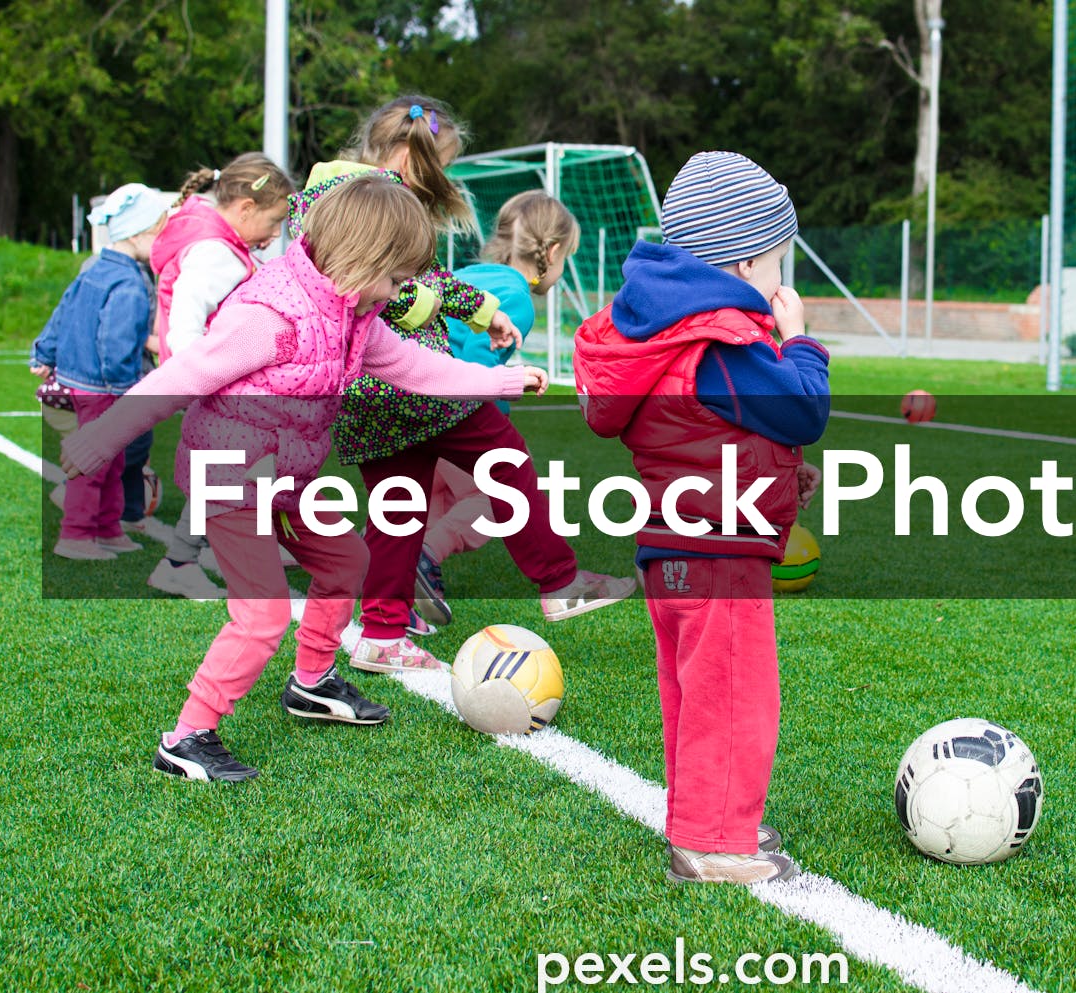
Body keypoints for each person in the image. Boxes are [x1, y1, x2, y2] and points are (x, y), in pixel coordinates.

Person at [59, 174, 548, 783]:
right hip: (230, 478)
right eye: (397, 279)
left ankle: (312, 683)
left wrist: (500, 380)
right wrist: (100, 438)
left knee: (347, 561)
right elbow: (183, 375)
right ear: (361, 259)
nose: (402, 293)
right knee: (262, 613)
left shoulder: (355, 312)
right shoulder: (270, 314)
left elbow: (415, 368)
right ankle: (186, 738)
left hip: (285, 477)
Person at [290, 95, 633, 674]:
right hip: (408, 382)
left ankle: (380, 634)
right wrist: (449, 319)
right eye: (437, 167)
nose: (439, 181)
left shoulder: (329, 192)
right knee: (505, 456)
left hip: (367, 394)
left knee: (397, 510)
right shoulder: (365, 199)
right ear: (406, 154)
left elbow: (424, 277)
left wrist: (483, 312)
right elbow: (390, 291)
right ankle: (559, 580)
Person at [573, 151, 831, 884]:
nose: (782, 280)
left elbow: (706, 432)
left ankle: (705, 815)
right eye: (779, 261)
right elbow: (802, 406)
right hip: (718, 551)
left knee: (694, 692)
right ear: (746, 260)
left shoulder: (666, 333)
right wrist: (801, 340)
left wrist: (779, 475)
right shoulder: (720, 339)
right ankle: (714, 842)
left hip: (674, 544)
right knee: (733, 692)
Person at [412, 191, 583, 623]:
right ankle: (427, 556)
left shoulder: (470, 274)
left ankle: (386, 566)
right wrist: (504, 386)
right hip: (446, 409)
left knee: (415, 502)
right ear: (553, 251)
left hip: (407, 403)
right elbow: (474, 364)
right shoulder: (517, 299)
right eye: (567, 259)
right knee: (495, 499)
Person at [144, 152, 297, 600]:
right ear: (245, 209)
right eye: (272, 222)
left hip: (219, 381)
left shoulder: (221, 244)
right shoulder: (215, 254)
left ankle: (206, 551)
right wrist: (207, 378)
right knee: (234, 469)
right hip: (215, 384)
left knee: (244, 466)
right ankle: (180, 560)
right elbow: (187, 325)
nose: (274, 236)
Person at [31, 183, 167, 560]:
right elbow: (116, 341)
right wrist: (126, 391)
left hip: (83, 379)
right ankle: (75, 535)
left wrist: (44, 351)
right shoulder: (129, 282)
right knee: (95, 460)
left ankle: (107, 528)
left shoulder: (95, 267)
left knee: (113, 458)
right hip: (105, 386)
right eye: (160, 232)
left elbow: (63, 310)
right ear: (139, 233)